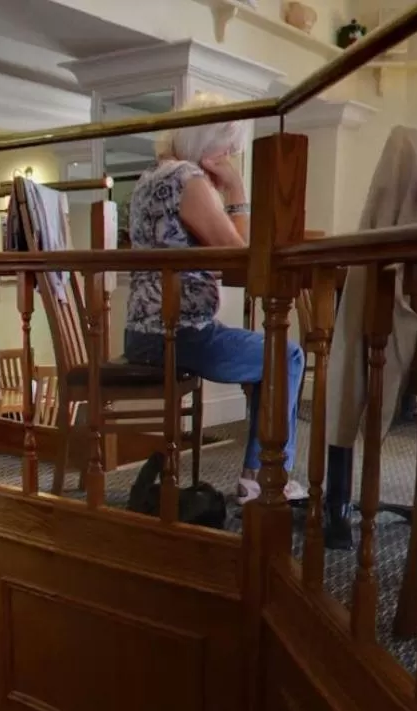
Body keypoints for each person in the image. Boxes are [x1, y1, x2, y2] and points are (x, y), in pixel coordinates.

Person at [122, 93, 306, 506]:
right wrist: (237, 189)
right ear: (208, 143)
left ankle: (258, 469)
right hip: (180, 332)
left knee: (267, 358)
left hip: (143, 333)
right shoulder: (188, 180)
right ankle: (262, 476)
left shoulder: (149, 177)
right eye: (227, 148)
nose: (229, 156)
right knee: (286, 355)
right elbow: (242, 257)